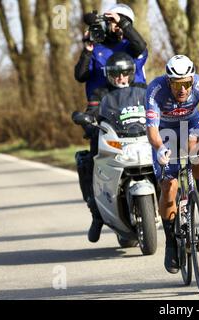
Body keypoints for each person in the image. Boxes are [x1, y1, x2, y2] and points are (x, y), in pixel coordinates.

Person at [145, 55, 199, 274]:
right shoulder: (155, 89)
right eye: (176, 84)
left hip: (192, 123)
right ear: (168, 81)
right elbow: (152, 130)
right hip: (164, 131)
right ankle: (171, 243)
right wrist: (159, 148)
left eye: (186, 84)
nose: (182, 89)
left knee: (198, 147)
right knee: (168, 187)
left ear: (192, 79)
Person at [75, 52, 147, 243]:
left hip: (140, 138)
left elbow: (154, 109)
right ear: (108, 74)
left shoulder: (142, 90)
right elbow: (91, 112)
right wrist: (89, 124)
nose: (120, 78)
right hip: (112, 140)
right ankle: (97, 215)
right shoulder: (100, 93)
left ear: (131, 73)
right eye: (116, 73)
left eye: (124, 73)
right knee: (87, 162)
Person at [74, 3, 148, 102]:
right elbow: (80, 76)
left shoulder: (133, 47)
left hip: (135, 105)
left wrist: (121, 21)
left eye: (123, 21)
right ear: (107, 22)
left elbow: (140, 46)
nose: (118, 25)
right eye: (114, 21)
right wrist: (87, 51)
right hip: (103, 108)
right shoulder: (96, 49)